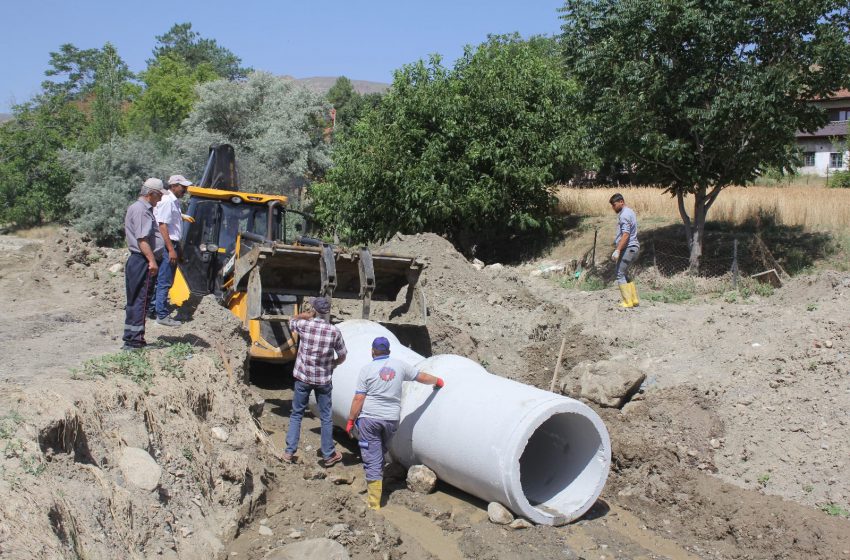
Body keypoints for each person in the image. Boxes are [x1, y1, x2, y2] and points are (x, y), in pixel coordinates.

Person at [345, 337, 444, 510]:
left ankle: (374, 502)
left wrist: (351, 420)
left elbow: (359, 398)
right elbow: (421, 377)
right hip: (390, 420)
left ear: (372, 351)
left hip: (370, 419)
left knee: (372, 458)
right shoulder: (400, 365)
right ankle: (379, 477)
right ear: (389, 351)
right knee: (380, 451)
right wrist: (438, 381)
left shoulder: (366, 370)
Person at [284, 296, 347, 467]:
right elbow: (342, 355)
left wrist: (304, 315)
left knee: (296, 413)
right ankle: (328, 455)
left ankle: (289, 452)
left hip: (303, 377)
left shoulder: (306, 325)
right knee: (326, 417)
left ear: (315, 310)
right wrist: (332, 364)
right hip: (323, 380)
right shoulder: (334, 331)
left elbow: (291, 321)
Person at [122, 178, 165, 350]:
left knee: (136, 299)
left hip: (139, 260)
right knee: (140, 299)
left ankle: (132, 338)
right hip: (142, 260)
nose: (160, 199)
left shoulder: (138, 208)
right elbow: (142, 239)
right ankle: (135, 341)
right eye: (159, 195)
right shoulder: (142, 210)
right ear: (150, 194)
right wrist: (152, 261)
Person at [151, 174, 192, 326]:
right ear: (174, 186)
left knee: (162, 280)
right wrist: (171, 250)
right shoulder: (168, 201)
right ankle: (161, 315)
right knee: (165, 280)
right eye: (183, 187)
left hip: (172, 244)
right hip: (169, 245)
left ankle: (154, 309)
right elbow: (162, 225)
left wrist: (181, 216)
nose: (185, 190)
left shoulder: (173, 202)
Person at [609, 193, 640, 308]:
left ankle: (627, 302)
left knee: (619, 274)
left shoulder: (624, 215)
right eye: (612, 205)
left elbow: (626, 234)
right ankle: (634, 299)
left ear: (621, 202)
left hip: (629, 247)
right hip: (633, 247)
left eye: (614, 204)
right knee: (625, 273)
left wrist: (617, 250)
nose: (613, 207)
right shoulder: (630, 212)